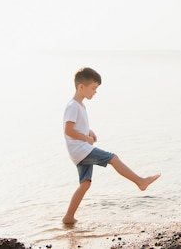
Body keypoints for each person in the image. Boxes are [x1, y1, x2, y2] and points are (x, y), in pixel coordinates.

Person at [62, 67, 161, 224]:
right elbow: (68, 130)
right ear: (81, 87)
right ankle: (140, 182)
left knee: (85, 184)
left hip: (79, 151)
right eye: (93, 88)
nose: (95, 92)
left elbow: (76, 126)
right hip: (81, 149)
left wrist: (88, 131)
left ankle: (68, 217)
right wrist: (85, 139)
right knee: (113, 158)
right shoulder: (73, 105)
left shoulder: (79, 105)